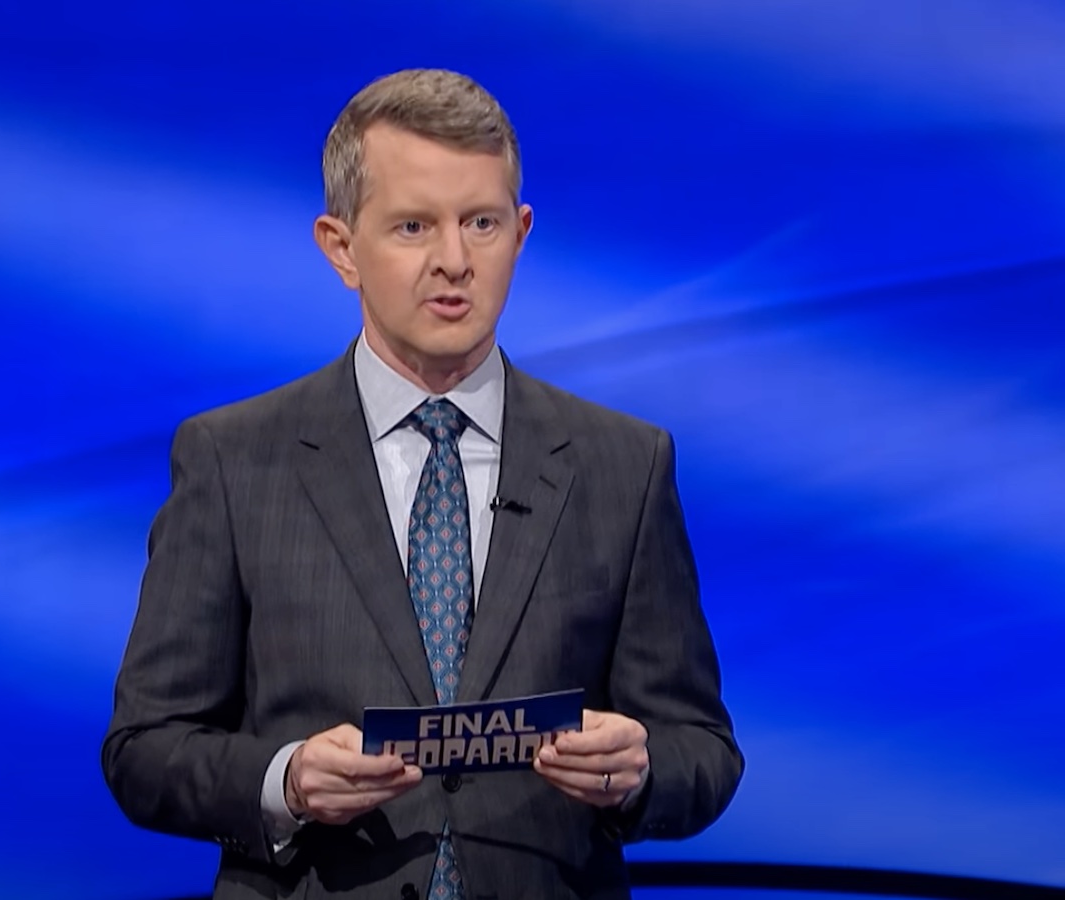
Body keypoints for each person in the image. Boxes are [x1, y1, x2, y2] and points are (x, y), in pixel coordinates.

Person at [102, 68, 743, 900]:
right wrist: (286, 779)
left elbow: (704, 750)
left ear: (522, 231)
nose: (454, 262)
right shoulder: (232, 460)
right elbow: (144, 749)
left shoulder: (623, 463)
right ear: (341, 249)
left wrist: (641, 767)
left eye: (481, 223)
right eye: (413, 226)